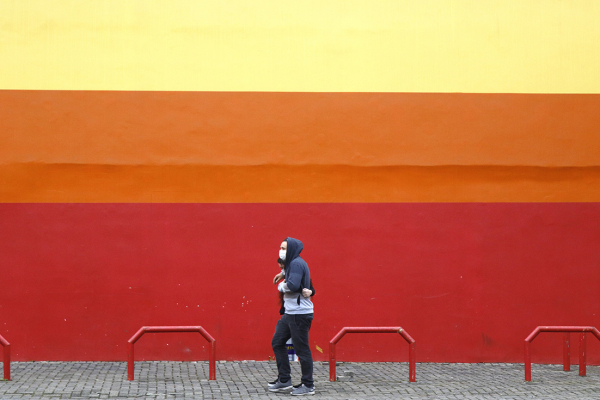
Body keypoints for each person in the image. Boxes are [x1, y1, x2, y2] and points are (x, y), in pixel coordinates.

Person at [268, 238, 315, 396]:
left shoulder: (295, 263)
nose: (281, 250)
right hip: (290, 313)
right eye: (280, 247)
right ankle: (284, 380)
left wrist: (281, 285)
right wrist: (282, 274)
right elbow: (306, 284)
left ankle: (308, 385)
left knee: (302, 349)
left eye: (284, 248)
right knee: (278, 342)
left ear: (292, 250)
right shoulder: (293, 264)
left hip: (299, 315)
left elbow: (294, 285)